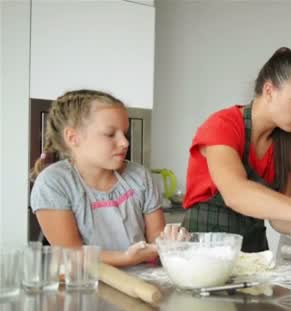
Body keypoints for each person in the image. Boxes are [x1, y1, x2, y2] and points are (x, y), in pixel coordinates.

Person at [181, 47, 291, 253]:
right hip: (204, 250)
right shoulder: (223, 125)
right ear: (269, 91)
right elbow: (235, 194)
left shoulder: (290, 142)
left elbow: (280, 218)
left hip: (254, 252)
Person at [30, 89, 180, 268]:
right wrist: (127, 258)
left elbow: (156, 240)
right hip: (84, 286)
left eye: (125, 133)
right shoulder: (53, 183)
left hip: (144, 283)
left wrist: (170, 241)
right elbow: (71, 253)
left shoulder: (140, 177)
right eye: (110, 134)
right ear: (73, 138)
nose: (125, 142)